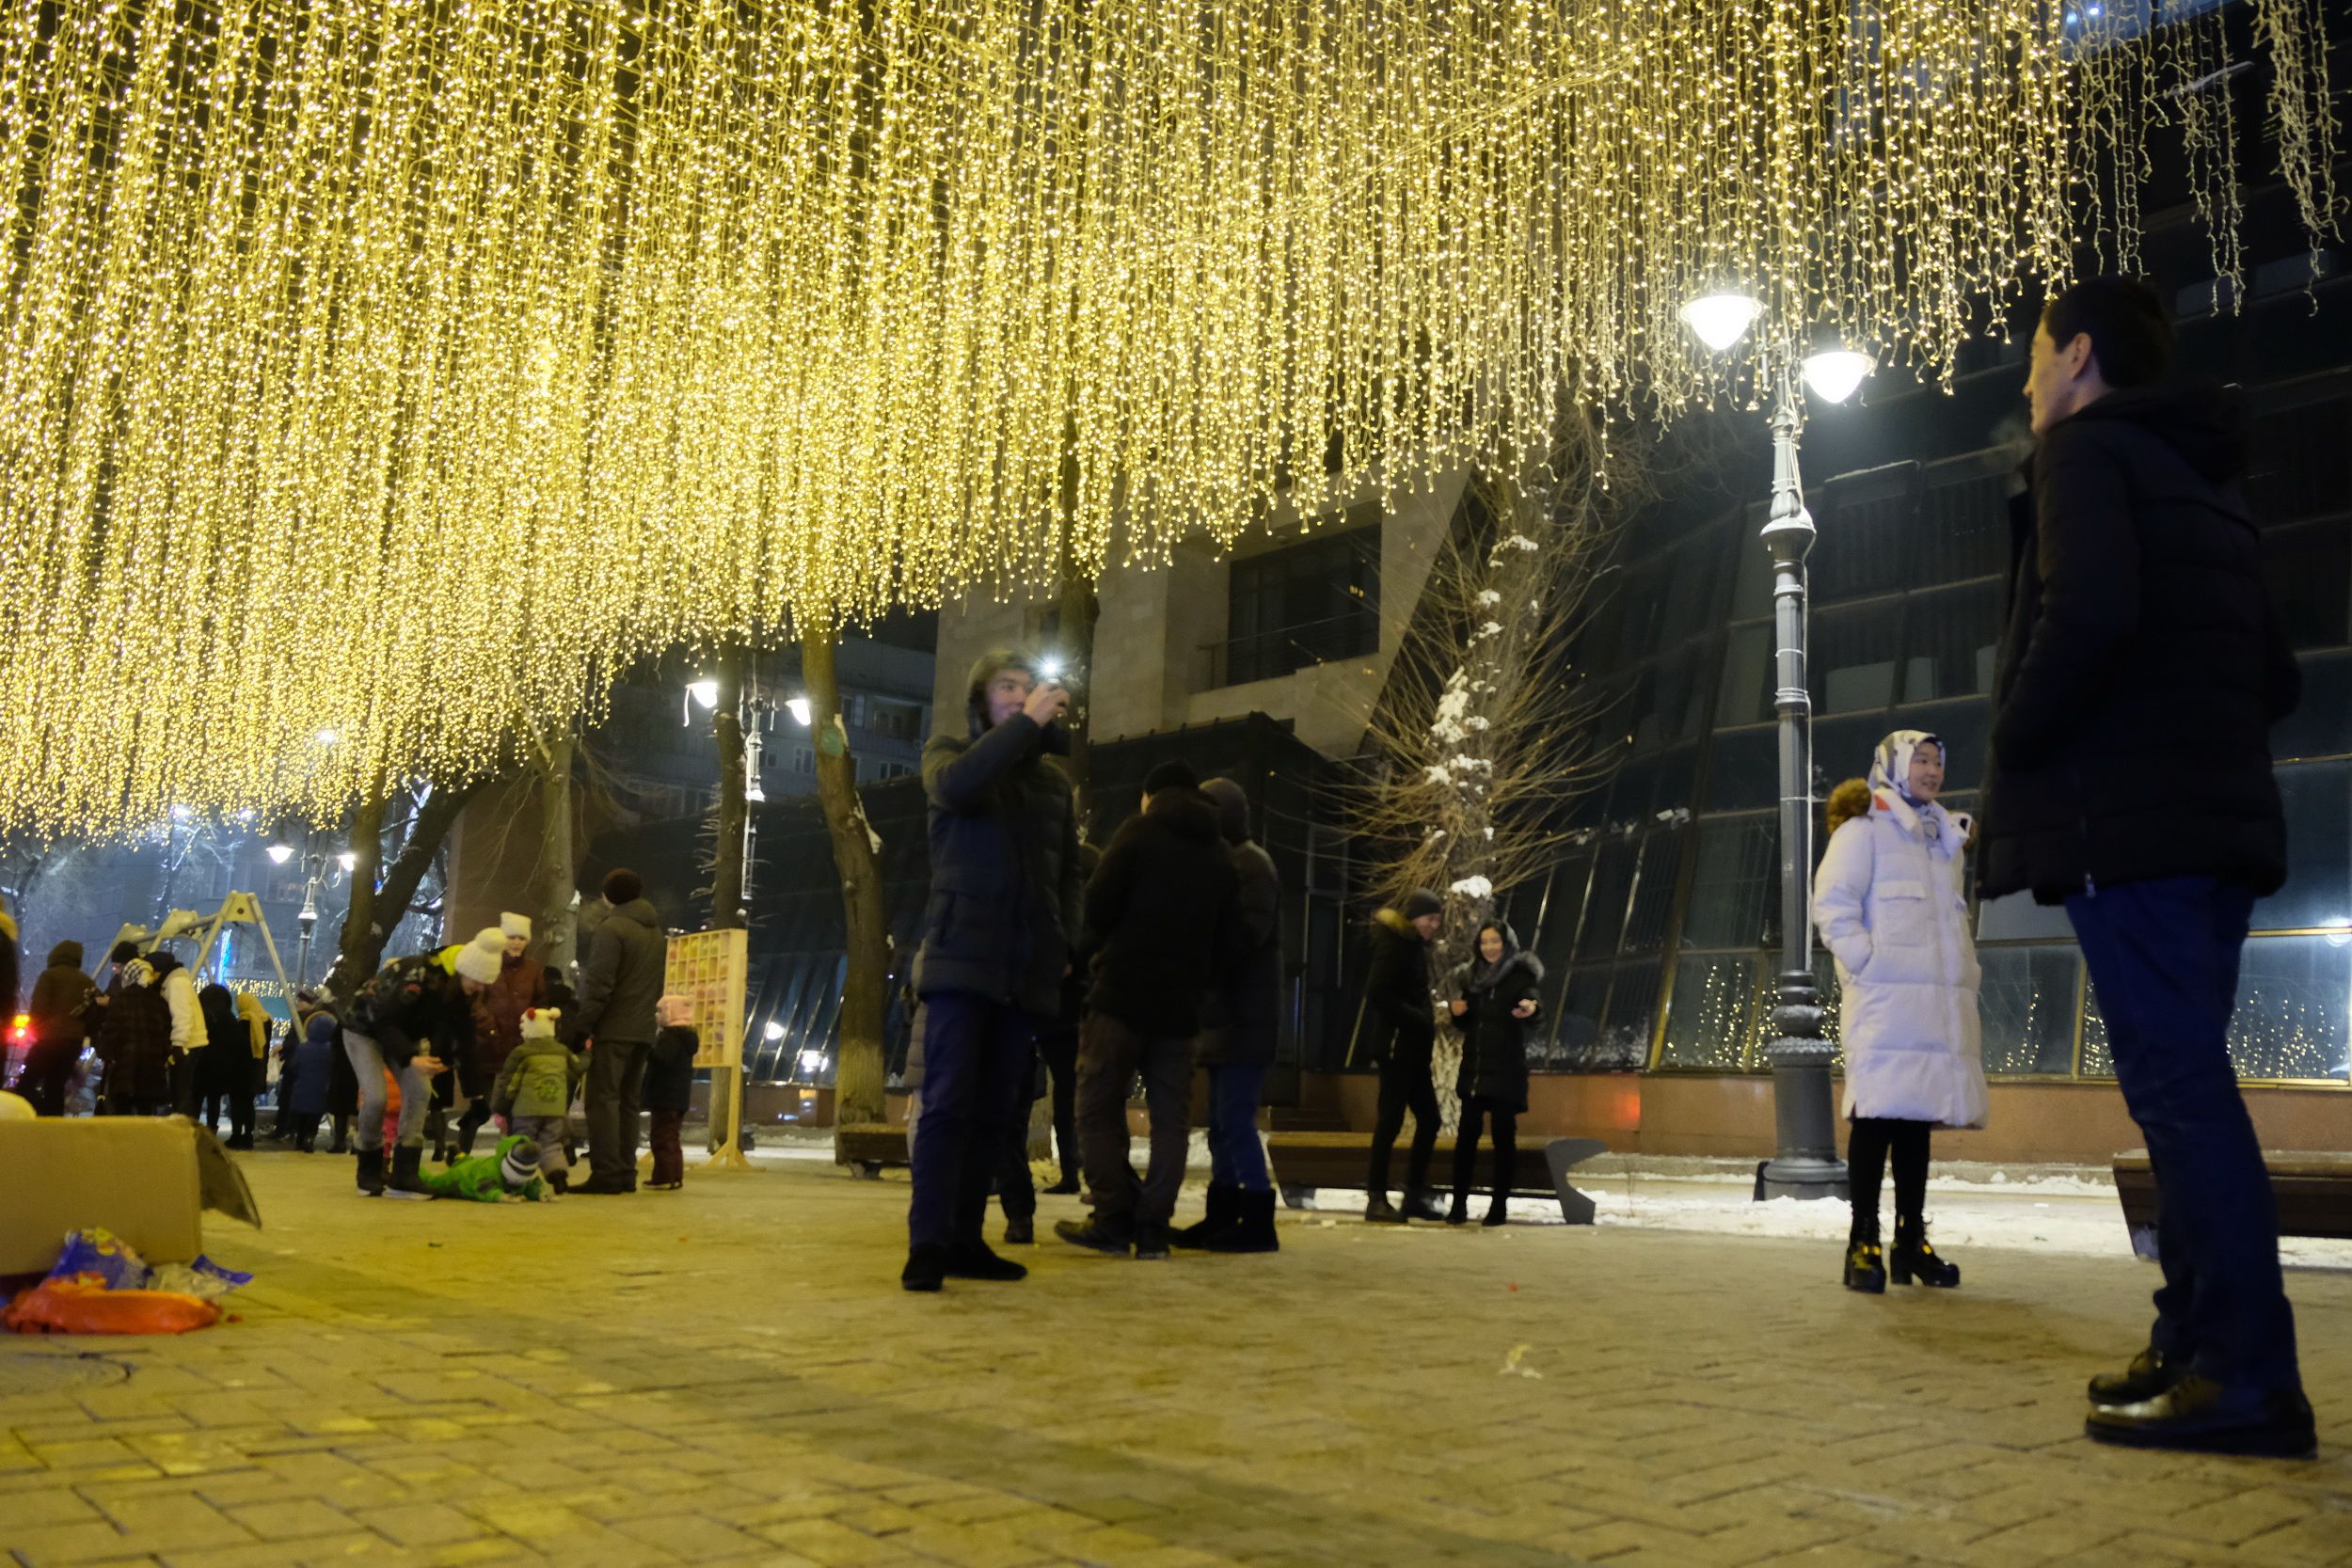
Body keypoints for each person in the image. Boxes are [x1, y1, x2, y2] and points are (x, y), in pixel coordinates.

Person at [1985, 275, 2312, 1458]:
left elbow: (2086, 614)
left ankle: (2241, 1373)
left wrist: (2014, 736)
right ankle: (2190, 1340)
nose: (2025, 379)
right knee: (2184, 1089)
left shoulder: (2083, 457)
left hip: (2128, 831)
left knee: (2180, 1097)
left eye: (2033, 353)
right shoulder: (2203, 476)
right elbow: (2274, 672)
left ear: (2076, 356)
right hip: (2215, 830)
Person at [901, 648, 1083, 1291]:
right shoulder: (949, 754)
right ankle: (927, 1242)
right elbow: (959, 788)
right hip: (960, 959)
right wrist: (1024, 727)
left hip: (1024, 967)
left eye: (1030, 688)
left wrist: (1064, 944)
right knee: (948, 1104)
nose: (1020, 695)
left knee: (996, 1111)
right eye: (1008, 686)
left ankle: (967, 1238)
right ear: (983, 698)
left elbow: (1068, 875)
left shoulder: (1052, 784)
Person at [1813, 733, 1986, 1292]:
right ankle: (1862, 1242)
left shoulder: (1940, 839)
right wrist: (1868, 962)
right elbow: (1833, 905)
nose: (1932, 770)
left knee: (1915, 1125)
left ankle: (1911, 1240)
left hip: (1932, 1005)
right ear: (1892, 767)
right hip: (1885, 1002)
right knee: (1876, 1118)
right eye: (1921, 760)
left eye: (1938, 760)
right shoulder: (1864, 830)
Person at [1057, 761, 1243, 1260]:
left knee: (1096, 1107)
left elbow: (1096, 907)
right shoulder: (1222, 855)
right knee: (1169, 1122)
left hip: (1121, 997)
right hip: (1180, 1011)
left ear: (1149, 795)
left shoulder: (1138, 833)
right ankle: (1154, 1229)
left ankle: (1114, 1218)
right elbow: (1229, 942)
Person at [1175, 777, 1282, 1254]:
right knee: (1220, 1123)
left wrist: (1200, 952)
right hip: (1224, 1017)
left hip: (1245, 1016)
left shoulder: (1250, 864)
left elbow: (1246, 937)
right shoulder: (1228, 862)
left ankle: (1258, 1220)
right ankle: (1223, 1215)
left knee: (1235, 1121)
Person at [345, 929, 506, 1197]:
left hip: (403, 1034)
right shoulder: (418, 976)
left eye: (484, 983)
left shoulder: (462, 995)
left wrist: (476, 1096)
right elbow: (385, 1020)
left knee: (420, 1092)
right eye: (477, 980)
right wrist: (410, 1058)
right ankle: (369, 1168)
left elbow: (464, 1044)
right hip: (363, 1028)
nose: (479, 987)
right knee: (376, 1097)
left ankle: (404, 1175)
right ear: (462, 970)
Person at [572, 869, 664, 1195]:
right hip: (642, 1030)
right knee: (628, 1102)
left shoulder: (611, 930)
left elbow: (599, 984)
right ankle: (625, 1171)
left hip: (613, 1029)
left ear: (609, 895)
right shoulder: (654, 932)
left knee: (603, 1101)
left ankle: (607, 1173)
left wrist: (582, 1024)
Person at [1445, 922, 1543, 1227]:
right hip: (1475, 1069)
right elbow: (1467, 1024)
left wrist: (1532, 1008)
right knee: (1466, 1138)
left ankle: (1498, 1206)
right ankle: (1458, 1205)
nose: (1489, 947)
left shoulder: (1519, 975)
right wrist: (1458, 1014)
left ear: (1506, 943)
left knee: (1503, 1137)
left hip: (1506, 1070)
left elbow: (1535, 1004)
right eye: (1484, 942)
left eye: (1495, 941)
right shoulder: (1471, 976)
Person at [1359, 889, 1445, 1223]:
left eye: (1438, 919)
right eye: (1430, 918)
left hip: (1414, 1050)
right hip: (1397, 1048)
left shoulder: (1412, 946)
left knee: (1430, 1120)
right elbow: (1377, 992)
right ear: (1413, 916)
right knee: (1390, 1122)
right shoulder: (1394, 944)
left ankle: (1413, 1194)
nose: (1434, 925)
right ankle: (1376, 1198)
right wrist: (1418, 1018)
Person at [460, 912, 547, 1158]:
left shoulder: (534, 970)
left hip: (518, 1046)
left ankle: (512, 1155)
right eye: (512, 937)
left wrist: (532, 1023)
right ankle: (462, 1151)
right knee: (481, 1105)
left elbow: (540, 1001)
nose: (516, 942)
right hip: (487, 1043)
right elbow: (476, 1002)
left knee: (513, 1106)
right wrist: (488, 1026)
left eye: (521, 937)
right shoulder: (490, 964)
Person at [492, 1006, 580, 1194]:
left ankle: (518, 1181)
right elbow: (576, 1071)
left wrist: (501, 1106)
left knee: (524, 1144)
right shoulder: (562, 1052)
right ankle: (558, 1176)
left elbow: (510, 1083)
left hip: (526, 1110)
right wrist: (588, 1054)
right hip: (555, 1110)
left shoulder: (521, 1053)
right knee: (552, 1144)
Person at [91, 946, 173, 1115]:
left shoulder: (120, 1000)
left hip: (125, 1070)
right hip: (152, 1071)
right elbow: (166, 1036)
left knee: (123, 1116)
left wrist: (104, 1053)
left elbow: (111, 1033)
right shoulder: (159, 1002)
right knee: (145, 1114)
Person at [23, 942, 97, 1116]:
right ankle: (53, 1127)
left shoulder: (49, 976)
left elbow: (38, 1008)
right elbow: (91, 1014)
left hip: (49, 1039)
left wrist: (35, 1029)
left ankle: (30, 1118)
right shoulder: (87, 981)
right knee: (55, 1087)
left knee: (27, 1083)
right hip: (73, 1043)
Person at [643, 995, 697, 1190]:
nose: (657, 1016)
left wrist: (647, 1049)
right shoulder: (686, 1037)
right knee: (671, 1136)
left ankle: (664, 1177)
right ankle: (674, 1176)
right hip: (678, 1096)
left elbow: (662, 1060)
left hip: (665, 1095)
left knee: (661, 1137)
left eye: (660, 1011)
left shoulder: (670, 1037)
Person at [282, 991, 339, 1151]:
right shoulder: (330, 1050)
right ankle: (310, 1139)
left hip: (301, 1089)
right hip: (321, 1090)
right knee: (314, 1119)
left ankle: (299, 1140)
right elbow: (331, 1069)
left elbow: (294, 1065)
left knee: (301, 1117)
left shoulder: (303, 1048)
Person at [196, 983, 244, 1135]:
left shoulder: (200, 1016)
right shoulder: (229, 1018)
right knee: (214, 1100)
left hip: (200, 1065)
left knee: (196, 1098)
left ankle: (193, 1128)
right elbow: (236, 1043)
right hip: (221, 1068)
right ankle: (211, 1129)